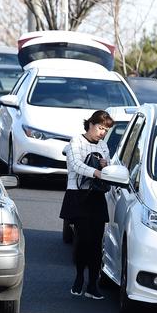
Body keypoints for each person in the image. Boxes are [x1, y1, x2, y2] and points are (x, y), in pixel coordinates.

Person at [60, 110, 114, 300]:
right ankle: (78, 278)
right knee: (82, 240)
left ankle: (93, 284)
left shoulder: (104, 146)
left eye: (106, 130)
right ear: (90, 124)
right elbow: (75, 165)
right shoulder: (76, 141)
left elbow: (109, 170)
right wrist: (97, 172)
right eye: (100, 128)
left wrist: (106, 165)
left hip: (97, 196)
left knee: (96, 242)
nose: (102, 133)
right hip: (77, 195)